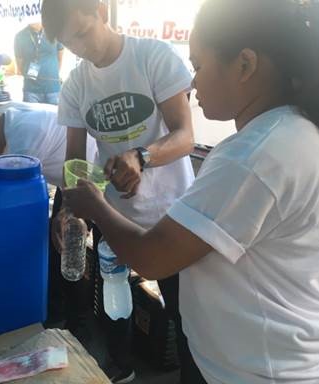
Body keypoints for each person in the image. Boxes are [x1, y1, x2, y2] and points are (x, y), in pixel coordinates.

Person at [64, 0, 319, 383]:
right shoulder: (290, 132)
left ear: (246, 65)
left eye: (198, 65)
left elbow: (150, 257)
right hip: (254, 358)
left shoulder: (254, 156)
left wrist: (95, 207)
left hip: (259, 371)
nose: (193, 81)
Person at [41, 1, 195, 382]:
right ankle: (120, 366)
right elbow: (75, 161)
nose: (79, 48)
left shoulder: (153, 57)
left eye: (82, 33)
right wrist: (71, 211)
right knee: (114, 299)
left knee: (185, 314)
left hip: (173, 212)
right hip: (116, 214)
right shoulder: (76, 84)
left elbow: (185, 136)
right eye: (68, 43)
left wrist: (142, 156)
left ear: (101, 12)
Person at [0, 101, 96, 186]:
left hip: (91, 176)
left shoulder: (24, 142)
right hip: (66, 174)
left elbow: (12, 191)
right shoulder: (2, 115)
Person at [14, 23, 64, 105]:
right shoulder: (20, 36)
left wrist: (50, 74)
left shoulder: (54, 32)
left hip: (53, 89)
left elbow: (60, 58)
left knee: (54, 117)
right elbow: (19, 65)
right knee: (33, 117)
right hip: (31, 91)